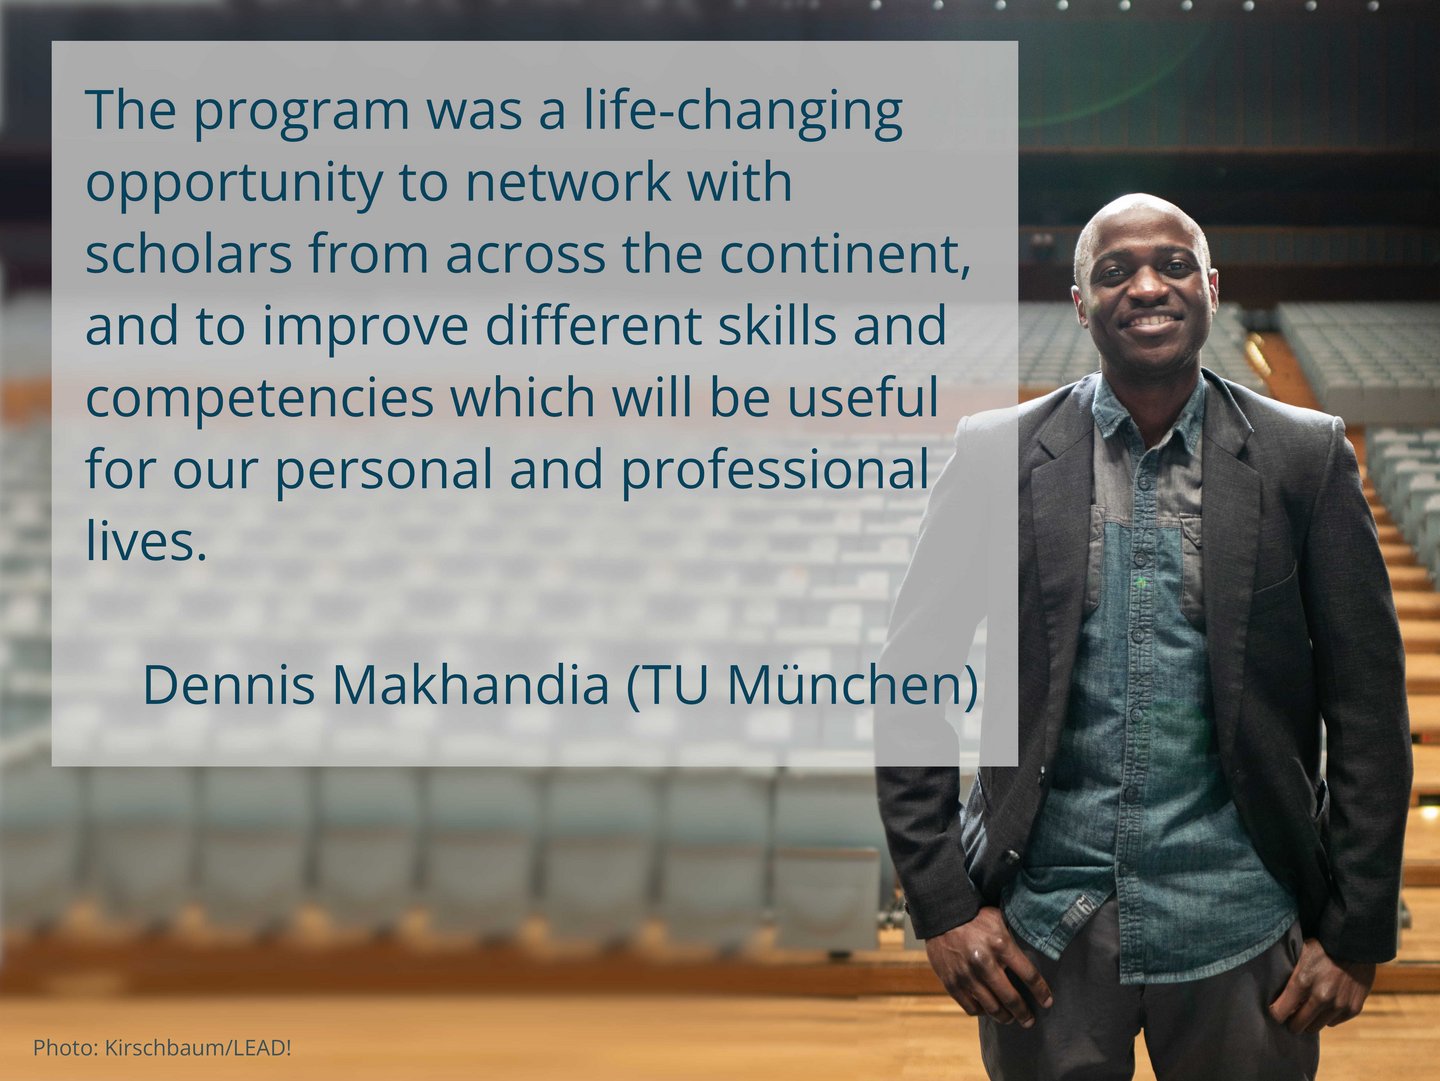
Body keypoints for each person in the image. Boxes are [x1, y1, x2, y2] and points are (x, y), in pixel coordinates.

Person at [875, 194, 1412, 1080]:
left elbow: (1367, 711)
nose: (1147, 285)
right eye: (1115, 271)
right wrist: (941, 904)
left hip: (1241, 922)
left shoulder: (1304, 456)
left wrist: (1356, 930)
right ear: (1083, 304)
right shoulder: (995, 454)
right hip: (1043, 930)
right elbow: (910, 681)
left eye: (1171, 264)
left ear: (1210, 286)